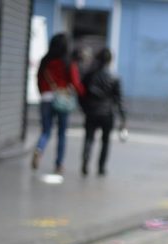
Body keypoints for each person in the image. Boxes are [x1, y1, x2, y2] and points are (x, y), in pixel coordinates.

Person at [33, 33, 84, 175]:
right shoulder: (68, 62)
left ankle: (39, 149)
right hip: (62, 100)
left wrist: (43, 92)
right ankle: (59, 164)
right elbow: (75, 82)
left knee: (46, 130)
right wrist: (83, 94)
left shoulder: (45, 60)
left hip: (46, 98)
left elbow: (38, 78)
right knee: (61, 133)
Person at [80, 48, 126, 177]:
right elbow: (119, 99)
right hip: (107, 114)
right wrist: (123, 118)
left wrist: (84, 108)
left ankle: (85, 161)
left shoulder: (89, 75)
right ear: (110, 60)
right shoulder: (115, 77)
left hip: (92, 112)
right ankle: (101, 167)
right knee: (105, 141)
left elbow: (81, 94)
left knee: (89, 138)